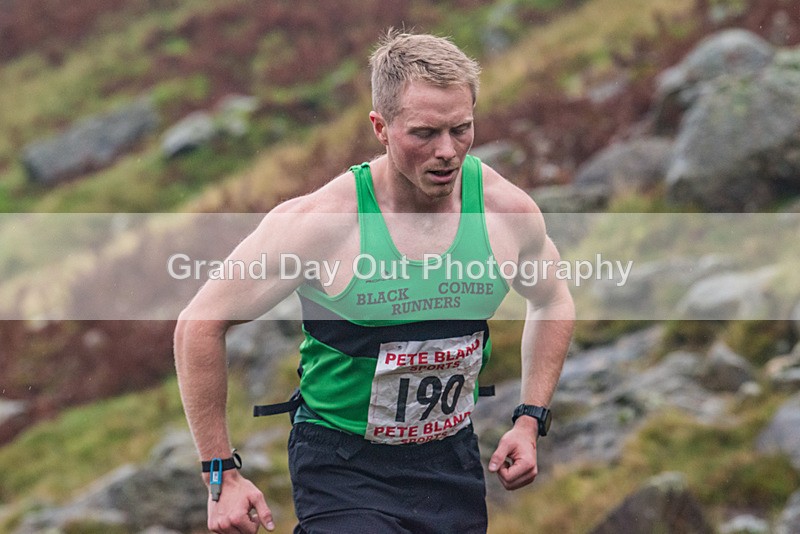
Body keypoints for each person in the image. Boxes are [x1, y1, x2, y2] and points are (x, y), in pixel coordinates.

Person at [174, 30, 575, 534]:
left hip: (448, 463)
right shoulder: (321, 223)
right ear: (380, 128)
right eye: (424, 133)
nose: (447, 151)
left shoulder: (506, 212)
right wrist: (221, 474)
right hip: (342, 464)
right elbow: (198, 325)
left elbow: (553, 299)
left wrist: (529, 418)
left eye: (461, 129)